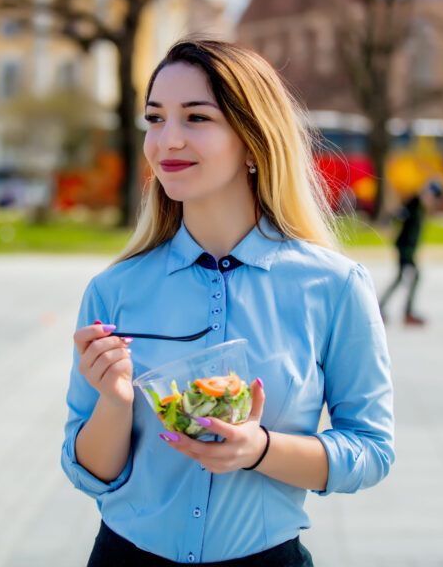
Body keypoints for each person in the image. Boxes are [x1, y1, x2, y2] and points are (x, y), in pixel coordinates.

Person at [61, 38, 394, 566]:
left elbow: (372, 450)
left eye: (196, 117)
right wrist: (116, 402)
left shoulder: (334, 286)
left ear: (253, 140)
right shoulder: (113, 290)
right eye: (155, 119)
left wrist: (260, 450)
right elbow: (88, 473)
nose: (167, 140)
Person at [379, 180, 443, 326]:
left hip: (408, 249)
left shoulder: (420, 206)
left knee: (402, 277)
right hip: (404, 248)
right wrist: (390, 224)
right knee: (411, 276)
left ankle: (385, 308)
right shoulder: (414, 203)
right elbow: (397, 217)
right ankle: (404, 311)